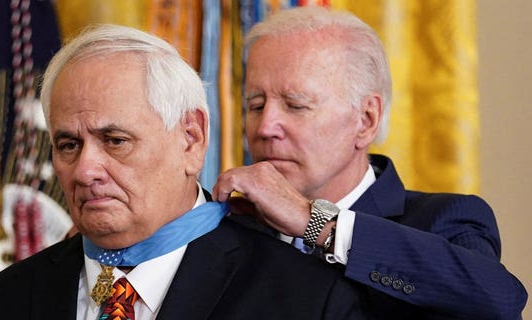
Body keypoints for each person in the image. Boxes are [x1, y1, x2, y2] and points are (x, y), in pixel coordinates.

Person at [0, 24, 376, 320]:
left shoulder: (307, 299)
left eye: (115, 140)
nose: (85, 170)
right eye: (68, 145)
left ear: (191, 139)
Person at [213, 6, 528, 320]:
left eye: (295, 105)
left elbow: (500, 299)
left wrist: (317, 223)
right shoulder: (226, 233)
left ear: (366, 120)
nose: (265, 127)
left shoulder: (444, 221)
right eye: (255, 105)